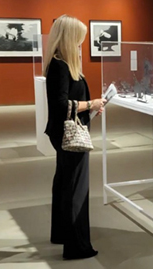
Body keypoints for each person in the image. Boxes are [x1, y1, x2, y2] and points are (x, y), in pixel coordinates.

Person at [43, 14, 106, 260]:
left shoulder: (61, 64)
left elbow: (68, 102)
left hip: (64, 132)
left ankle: (61, 233)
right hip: (68, 137)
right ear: (70, 38)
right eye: (79, 39)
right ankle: (76, 245)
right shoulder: (60, 66)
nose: (81, 44)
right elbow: (59, 105)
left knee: (63, 184)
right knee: (75, 188)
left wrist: (90, 107)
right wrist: (90, 103)